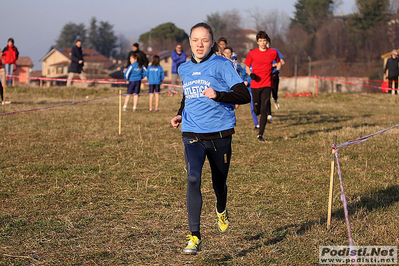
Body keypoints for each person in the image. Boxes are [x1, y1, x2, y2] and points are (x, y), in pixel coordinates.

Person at [170, 22, 251, 254]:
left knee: (219, 184)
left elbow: (244, 94)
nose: (199, 44)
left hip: (220, 133)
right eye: (195, 40)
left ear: (212, 42)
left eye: (204, 40)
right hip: (192, 132)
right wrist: (179, 113)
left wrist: (219, 95)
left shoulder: (223, 65)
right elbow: (189, 96)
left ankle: (221, 208)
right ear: (189, 42)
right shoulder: (184, 69)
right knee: (193, 178)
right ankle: (195, 236)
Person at [244, 31, 280, 142]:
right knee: (256, 109)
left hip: (267, 83)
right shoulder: (252, 53)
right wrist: (251, 74)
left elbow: (279, 62)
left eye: (264, 40)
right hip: (255, 84)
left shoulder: (273, 52)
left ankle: (260, 134)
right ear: (257, 42)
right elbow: (246, 66)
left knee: (264, 107)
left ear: (267, 41)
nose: (262, 43)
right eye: (260, 41)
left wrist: (276, 72)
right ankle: (258, 111)